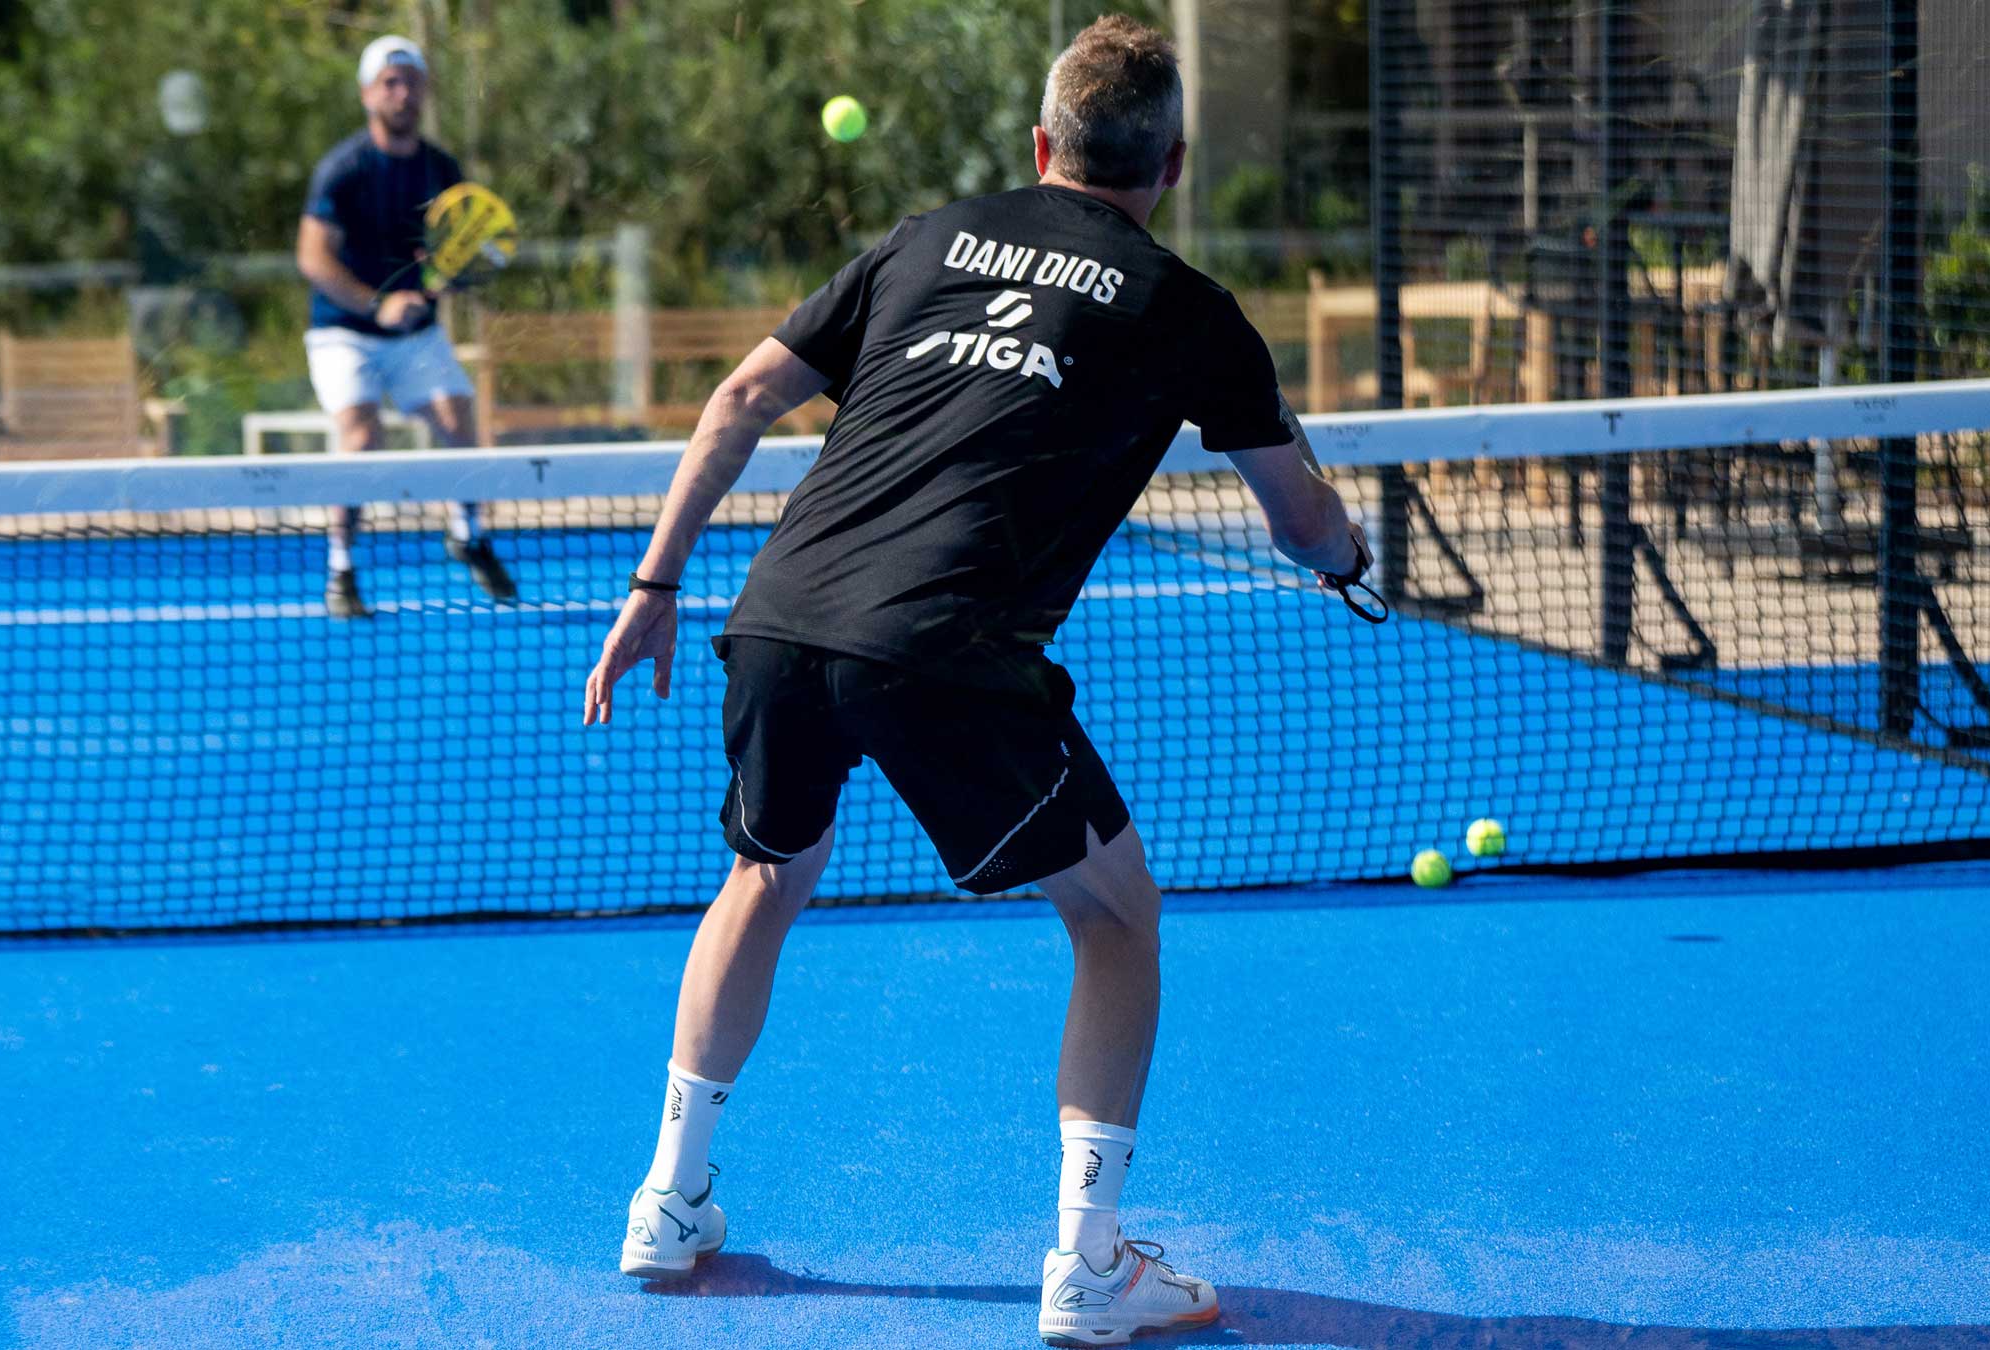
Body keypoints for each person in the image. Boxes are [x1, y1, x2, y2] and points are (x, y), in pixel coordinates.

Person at [582, 16, 1370, 1347]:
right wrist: (1352, 559)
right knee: (1116, 917)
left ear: (1043, 144)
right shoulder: (1191, 311)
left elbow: (737, 400)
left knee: (765, 873)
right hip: (945, 651)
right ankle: (1090, 1265)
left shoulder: (925, 239)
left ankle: (667, 1200)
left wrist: (654, 587)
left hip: (779, 620)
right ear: (1172, 164)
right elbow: (1301, 523)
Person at [296, 35, 514, 617]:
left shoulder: (441, 168)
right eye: (390, 82)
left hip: (416, 336)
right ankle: (341, 569)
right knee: (361, 440)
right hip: (344, 334)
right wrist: (377, 305)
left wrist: (446, 281)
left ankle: (467, 535)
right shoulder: (342, 170)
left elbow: (453, 251)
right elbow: (312, 257)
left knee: (458, 420)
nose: (402, 93)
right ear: (367, 94)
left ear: (424, 91)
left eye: (412, 81)